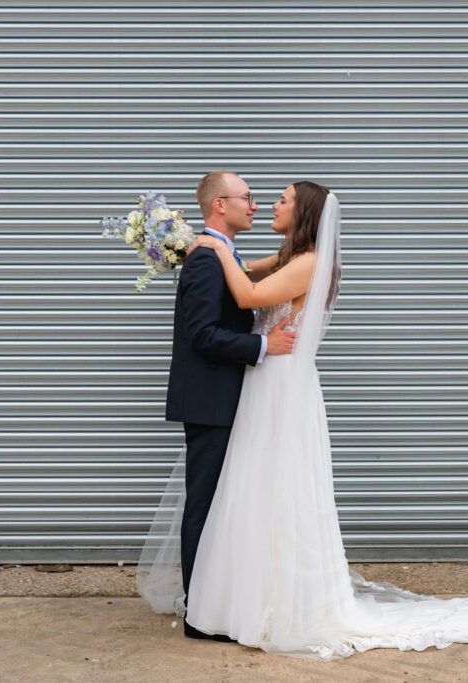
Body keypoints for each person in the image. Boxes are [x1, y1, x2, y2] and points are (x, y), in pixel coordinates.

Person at [141, 181, 468, 660]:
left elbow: (246, 294)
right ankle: (232, 597)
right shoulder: (293, 258)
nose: (269, 203)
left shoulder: (309, 263)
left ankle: (252, 600)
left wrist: (209, 245)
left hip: (280, 384)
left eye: (281, 200)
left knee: (272, 489)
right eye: (259, 197)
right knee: (254, 492)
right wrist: (209, 245)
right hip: (267, 382)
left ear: (303, 212)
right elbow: (248, 270)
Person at [159, 171, 296, 641]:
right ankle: (199, 611)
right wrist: (262, 346)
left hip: (225, 397)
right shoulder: (204, 261)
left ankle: (215, 599)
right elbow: (201, 335)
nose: (255, 205)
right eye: (248, 198)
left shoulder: (222, 253)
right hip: (209, 399)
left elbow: (251, 280)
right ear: (220, 205)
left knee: (222, 504)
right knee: (204, 504)